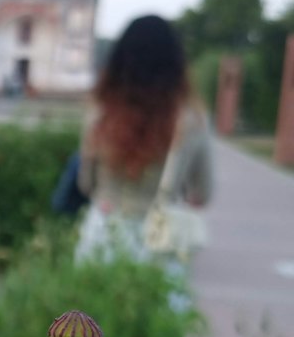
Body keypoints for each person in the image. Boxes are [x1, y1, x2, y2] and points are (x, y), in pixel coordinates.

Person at [75, 15, 212, 265]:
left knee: (90, 302)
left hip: (104, 230)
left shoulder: (101, 112)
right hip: (161, 238)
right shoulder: (192, 119)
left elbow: (86, 183)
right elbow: (202, 193)